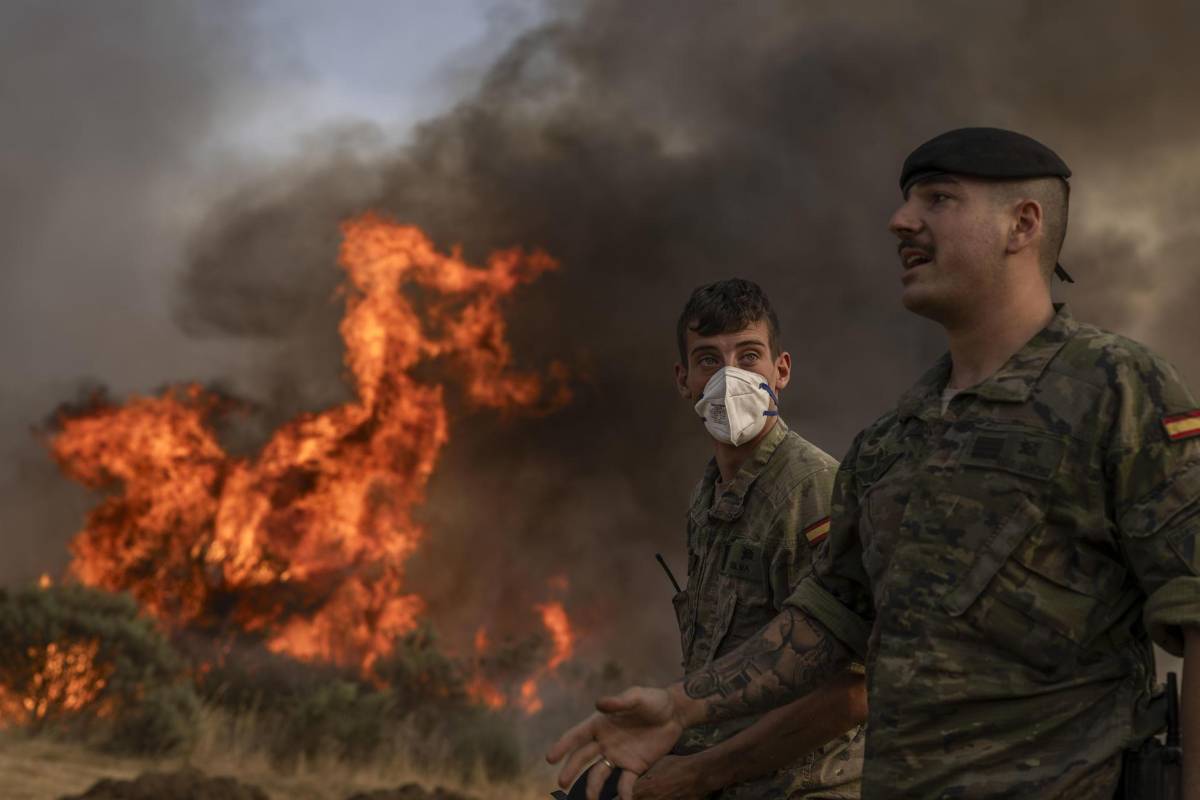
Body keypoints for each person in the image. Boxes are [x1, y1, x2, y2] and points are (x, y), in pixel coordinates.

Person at [546, 128, 1200, 800]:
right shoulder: (892, 441)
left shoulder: (1118, 389)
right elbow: (829, 620)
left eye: (939, 199)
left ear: (1022, 225)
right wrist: (683, 706)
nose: (900, 221)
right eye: (906, 202)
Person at [626, 279, 865, 800]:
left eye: (749, 355)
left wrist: (695, 774)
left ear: (781, 371)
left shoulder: (813, 490)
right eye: (709, 360)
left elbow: (851, 691)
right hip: (728, 780)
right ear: (684, 380)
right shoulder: (710, 496)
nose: (730, 377)